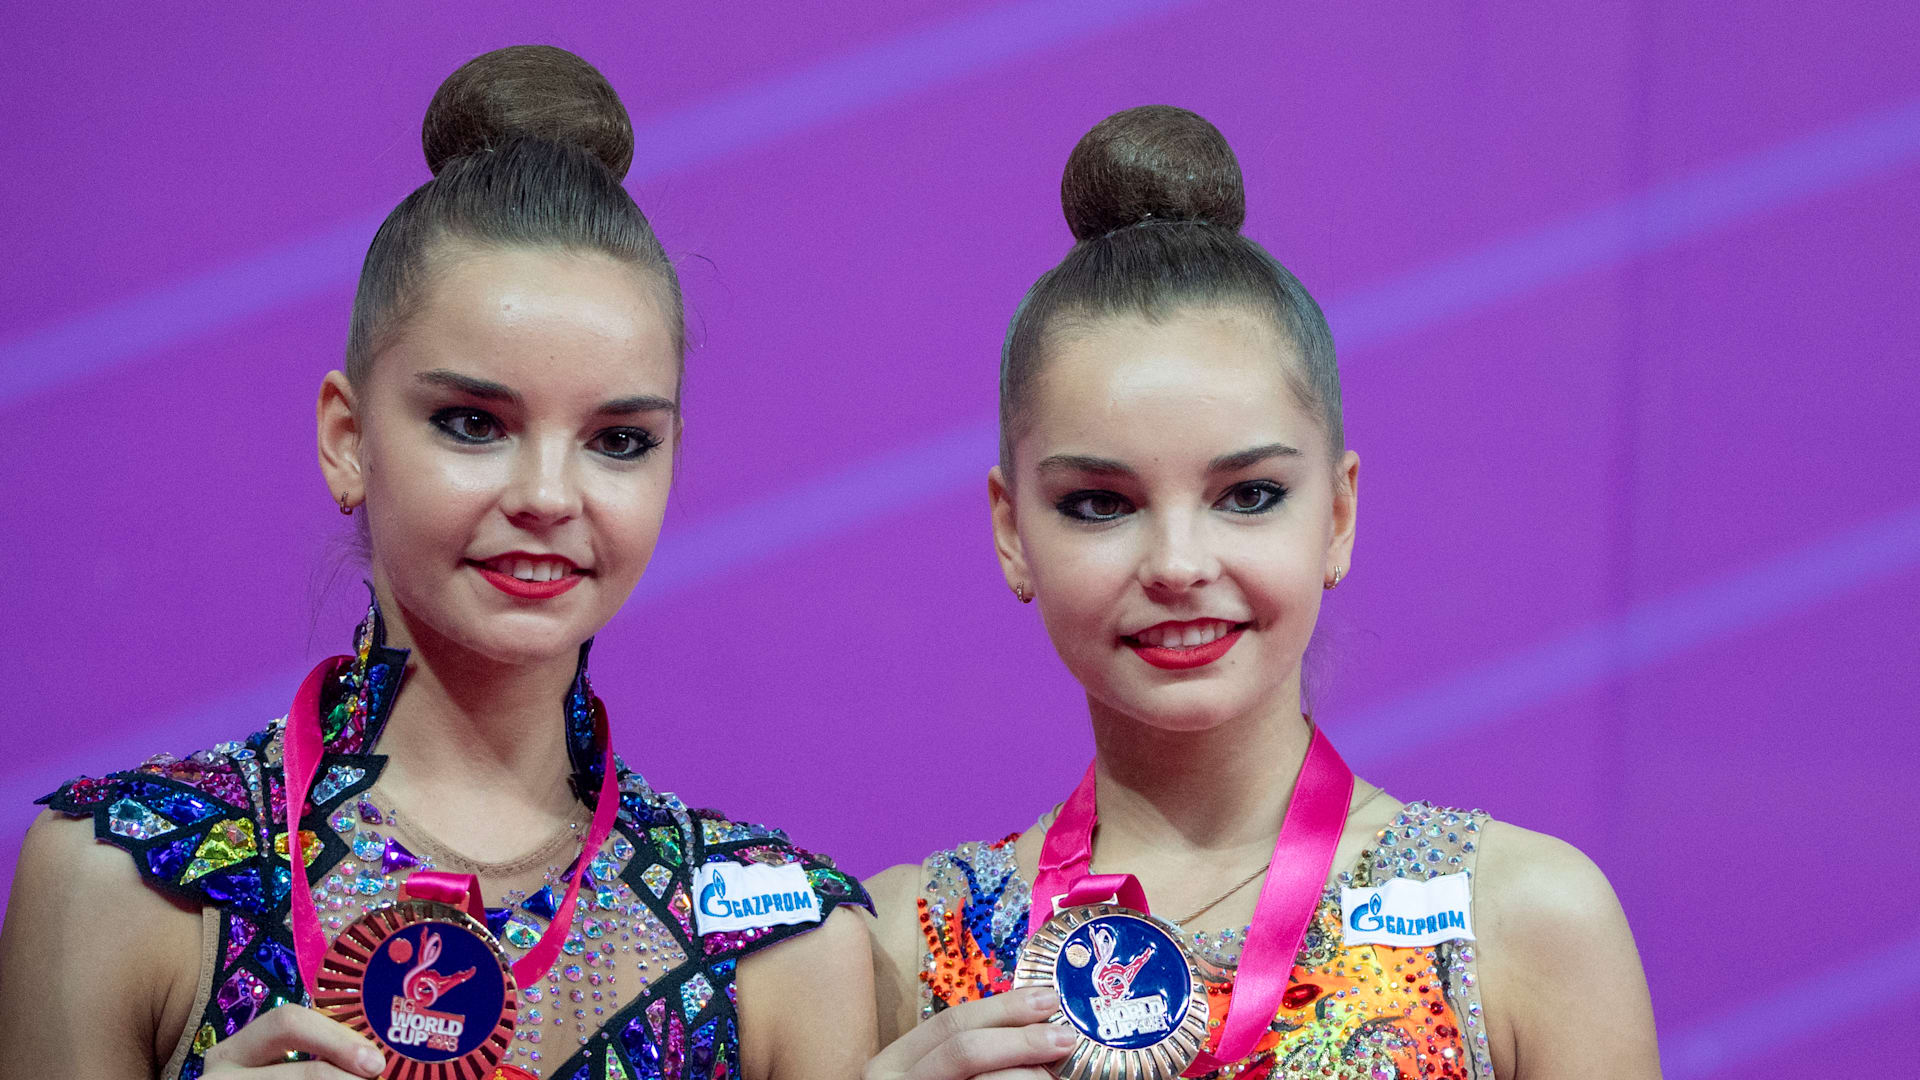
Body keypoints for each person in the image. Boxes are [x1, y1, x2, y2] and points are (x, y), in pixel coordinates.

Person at [0, 46, 873, 1080]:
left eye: (618, 440)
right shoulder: (123, 875)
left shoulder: (784, 942)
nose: (548, 495)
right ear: (347, 438)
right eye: (473, 422)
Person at [863, 106, 1659, 1080]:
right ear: (1009, 531)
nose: (1178, 564)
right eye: (1100, 503)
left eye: (1248, 495)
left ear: (1338, 515)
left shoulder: (1524, 923)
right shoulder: (899, 947)